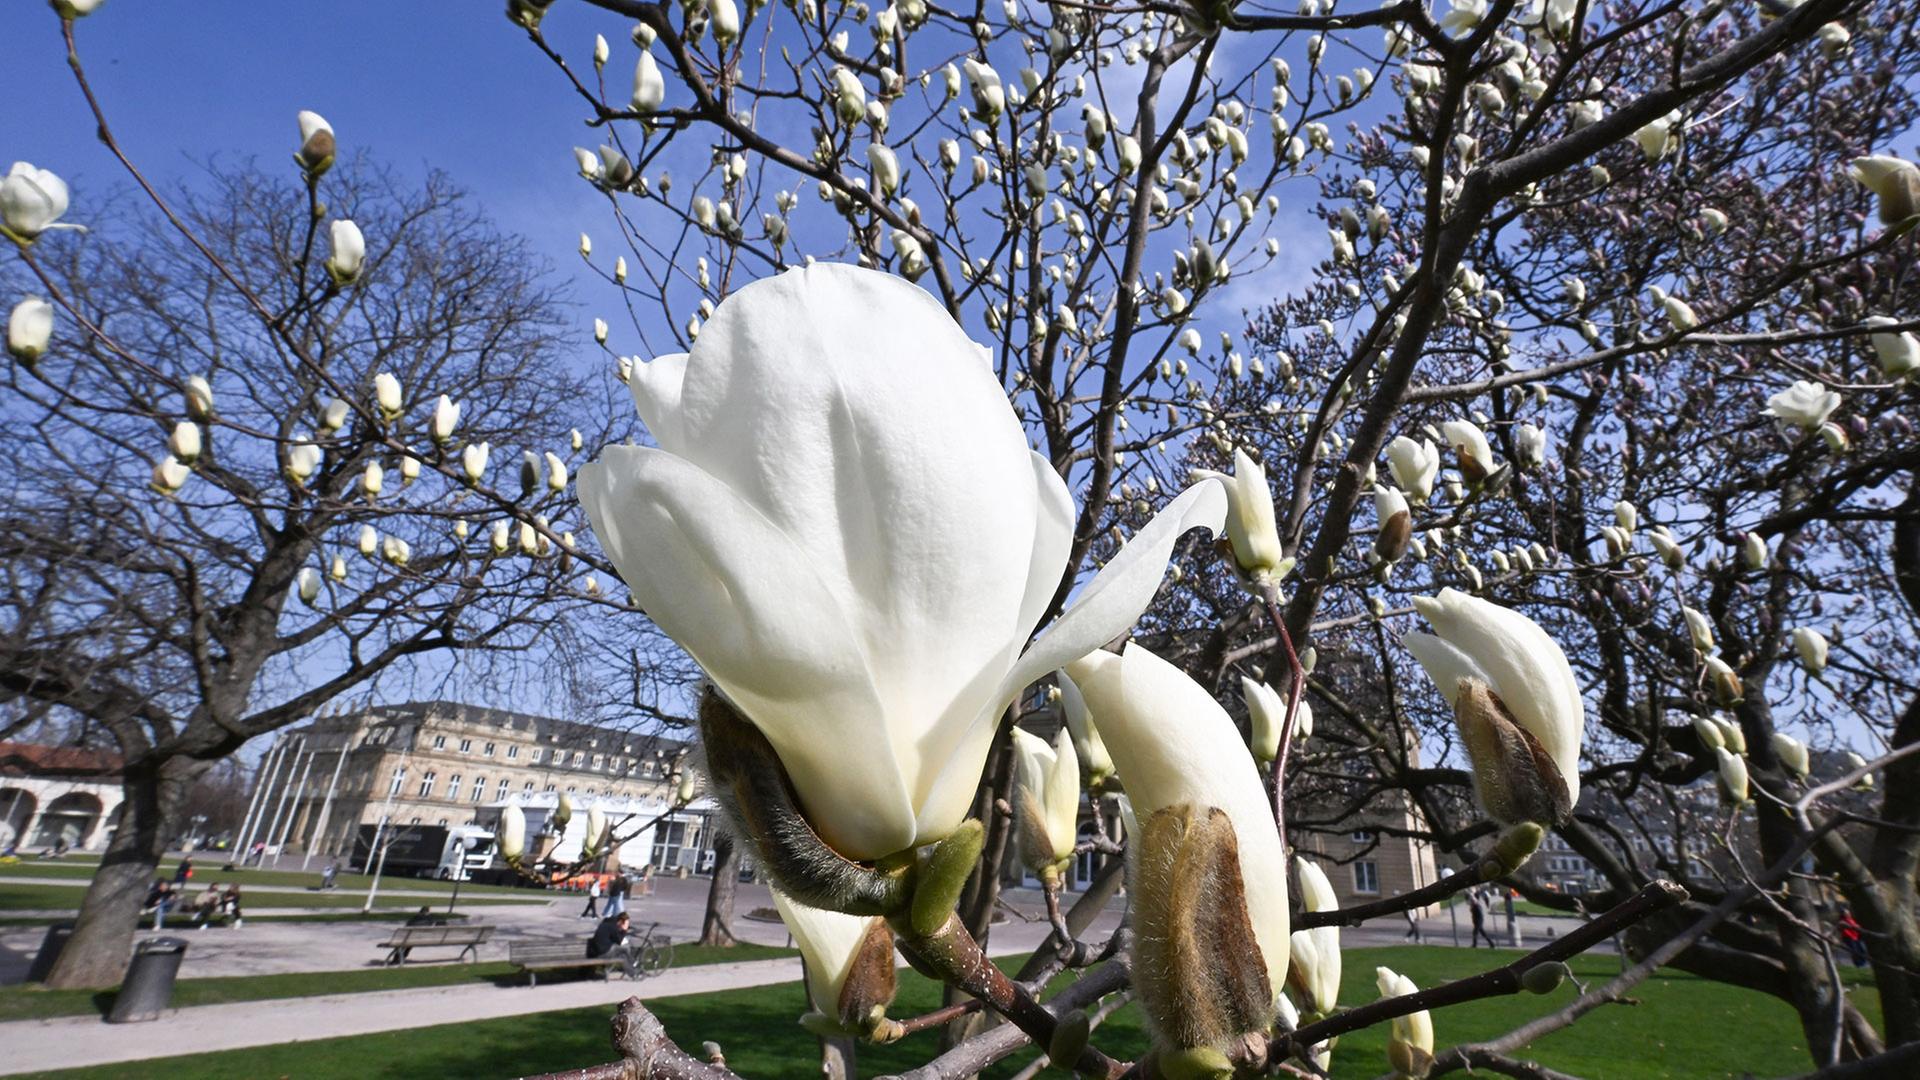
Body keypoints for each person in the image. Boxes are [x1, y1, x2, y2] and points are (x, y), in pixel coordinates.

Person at [587, 911, 640, 977]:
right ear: (620, 921)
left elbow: (612, 938)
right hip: (603, 953)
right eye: (625, 923)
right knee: (624, 949)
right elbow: (619, 941)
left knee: (622, 956)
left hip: (597, 951)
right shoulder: (613, 926)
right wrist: (624, 930)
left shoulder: (607, 923)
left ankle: (633, 972)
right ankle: (634, 964)